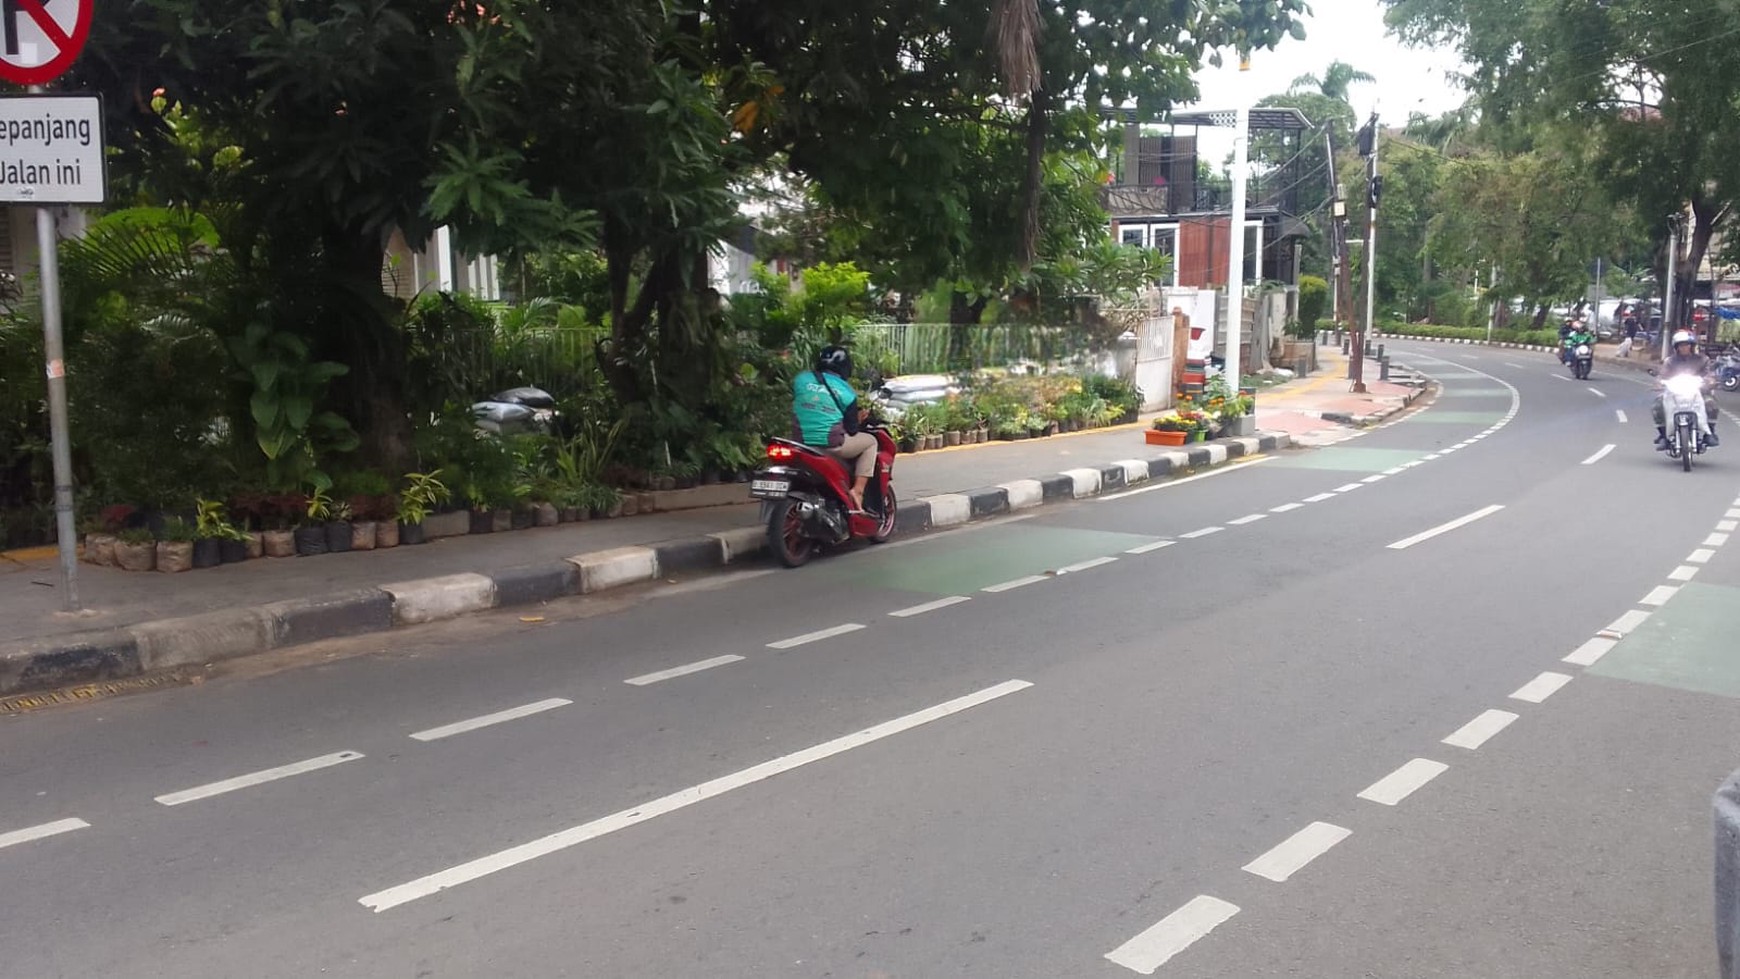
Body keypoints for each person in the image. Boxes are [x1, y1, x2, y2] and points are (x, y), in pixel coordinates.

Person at [791, 345, 876, 510]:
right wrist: (858, 418)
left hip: (800, 442)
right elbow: (851, 430)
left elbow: (809, 405)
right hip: (830, 444)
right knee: (871, 442)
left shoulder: (801, 380)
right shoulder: (847, 392)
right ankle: (858, 491)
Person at [1654, 330, 1720, 449]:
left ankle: (1709, 433)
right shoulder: (1670, 361)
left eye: (1687, 344)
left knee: (1711, 404)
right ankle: (1663, 435)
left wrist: (1710, 381)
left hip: (1698, 391)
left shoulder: (1703, 359)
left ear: (1692, 346)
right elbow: (1662, 375)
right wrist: (1659, 383)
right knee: (1658, 405)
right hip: (1674, 392)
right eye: (1681, 345)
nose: (1684, 347)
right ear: (1676, 347)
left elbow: (1709, 374)